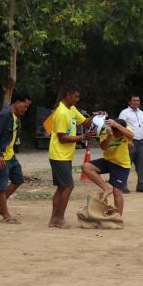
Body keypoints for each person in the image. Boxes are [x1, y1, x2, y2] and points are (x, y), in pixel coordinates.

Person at [48, 84, 98, 229]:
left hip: (65, 155)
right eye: (75, 96)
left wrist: (97, 117)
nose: (77, 99)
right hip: (59, 155)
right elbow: (62, 137)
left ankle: (54, 219)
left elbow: (85, 121)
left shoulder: (72, 109)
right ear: (68, 95)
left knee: (61, 188)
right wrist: (83, 137)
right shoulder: (61, 113)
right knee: (68, 186)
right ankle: (59, 218)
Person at [0, 93, 30, 224]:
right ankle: (6, 215)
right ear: (18, 102)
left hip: (10, 156)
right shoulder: (5, 115)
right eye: (25, 106)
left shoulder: (16, 118)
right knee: (2, 186)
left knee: (18, 179)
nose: (26, 109)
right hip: (0, 157)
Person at [81, 119, 134, 215]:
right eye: (116, 134)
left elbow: (131, 136)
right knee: (86, 167)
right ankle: (106, 188)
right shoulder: (105, 131)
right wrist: (109, 136)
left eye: (119, 133)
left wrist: (118, 126)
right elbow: (103, 147)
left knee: (117, 191)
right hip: (108, 161)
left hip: (122, 164)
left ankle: (118, 217)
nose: (118, 136)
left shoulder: (124, 129)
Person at [118, 94, 143, 193]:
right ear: (129, 102)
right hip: (129, 141)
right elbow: (120, 128)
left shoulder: (142, 113)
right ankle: (122, 185)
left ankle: (141, 185)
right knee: (126, 163)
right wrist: (128, 140)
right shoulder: (124, 113)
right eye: (134, 100)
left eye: (138, 101)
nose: (136, 102)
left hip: (141, 142)